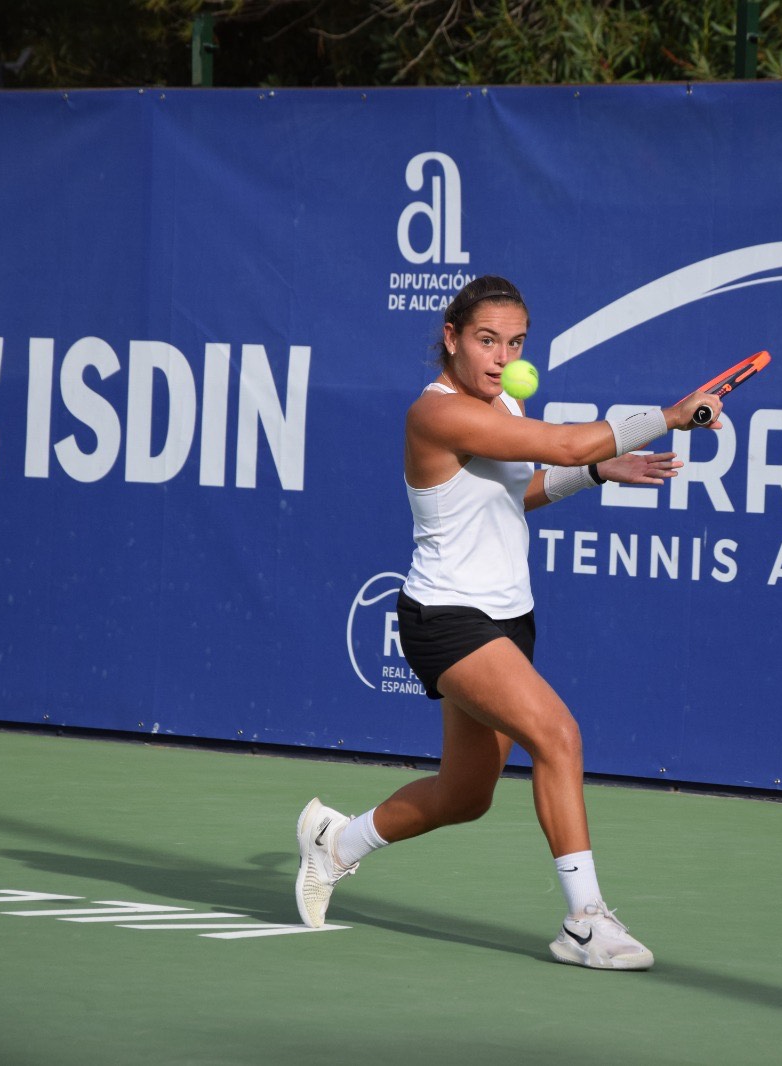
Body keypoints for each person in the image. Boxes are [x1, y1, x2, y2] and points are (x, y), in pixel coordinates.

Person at [295, 274, 722, 970]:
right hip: (447, 619)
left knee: (465, 796)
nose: (502, 357)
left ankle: (336, 845)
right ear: (452, 338)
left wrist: (598, 474)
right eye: (487, 341)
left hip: (506, 617)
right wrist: (668, 416)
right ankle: (586, 922)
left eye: (516, 342)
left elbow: (510, 492)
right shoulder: (434, 415)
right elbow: (560, 443)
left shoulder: (502, 400)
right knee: (558, 734)